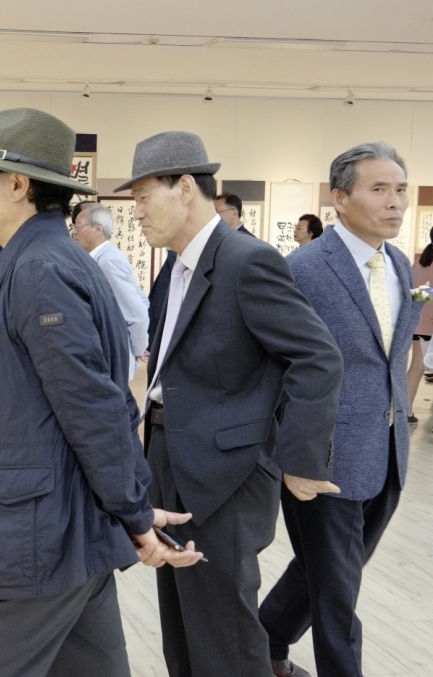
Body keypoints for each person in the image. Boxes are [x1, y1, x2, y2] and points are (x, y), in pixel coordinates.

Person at [0, 108, 199, 677]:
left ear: (18, 185)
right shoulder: (41, 259)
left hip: (30, 540)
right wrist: (128, 507)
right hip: (63, 532)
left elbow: (93, 407)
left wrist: (133, 511)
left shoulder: (41, 270)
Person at [119, 130, 344, 677]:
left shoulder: (247, 261)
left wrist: (299, 459)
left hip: (228, 476)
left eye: (144, 196)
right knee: (182, 626)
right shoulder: (176, 266)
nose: (138, 211)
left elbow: (317, 357)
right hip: (170, 457)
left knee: (225, 635)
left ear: (185, 188)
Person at [260, 141, 420, 677]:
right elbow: (276, 367)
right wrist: (291, 454)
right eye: (379, 189)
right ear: (340, 198)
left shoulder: (398, 264)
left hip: (387, 450)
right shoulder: (303, 269)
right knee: (337, 591)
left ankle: (266, 640)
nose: (395, 202)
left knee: (328, 570)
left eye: (400, 189)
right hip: (321, 456)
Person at [70, 201, 150, 376]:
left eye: (78, 225)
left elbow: (137, 314)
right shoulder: (102, 258)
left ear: (98, 229)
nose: (74, 231)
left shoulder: (107, 262)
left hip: (111, 354)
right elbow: (141, 299)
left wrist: (138, 348)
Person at [409, 226, 433, 422]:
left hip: (418, 324)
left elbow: (416, 294)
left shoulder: (419, 263)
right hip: (429, 324)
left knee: (416, 368)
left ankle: (406, 412)